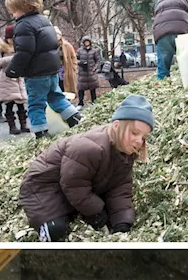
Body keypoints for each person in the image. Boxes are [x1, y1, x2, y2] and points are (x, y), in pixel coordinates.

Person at [18, 95, 154, 242]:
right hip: (44, 188)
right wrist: (96, 211)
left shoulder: (125, 153)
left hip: (76, 188)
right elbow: (73, 185)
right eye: (134, 133)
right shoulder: (90, 147)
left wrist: (122, 222)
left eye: (144, 137)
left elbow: (120, 188)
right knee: (56, 228)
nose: (139, 141)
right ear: (116, 126)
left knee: (106, 216)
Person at [3, 0, 82, 139]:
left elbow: (25, 52)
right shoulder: (44, 21)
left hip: (36, 74)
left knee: (35, 103)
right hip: (51, 70)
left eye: (14, 10)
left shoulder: (23, 25)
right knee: (56, 97)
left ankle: (40, 132)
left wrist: (13, 70)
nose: (13, 15)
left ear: (24, 8)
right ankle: (75, 118)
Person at [152, 0, 188, 80]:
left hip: (161, 31)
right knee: (186, 64)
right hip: (182, 29)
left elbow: (157, 12)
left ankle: (162, 88)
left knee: (163, 68)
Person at [0, 24, 29, 135]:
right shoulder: (1, 47)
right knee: (9, 103)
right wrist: (12, 58)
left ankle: (23, 125)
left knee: (21, 103)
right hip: (6, 77)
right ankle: (12, 126)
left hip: (19, 77)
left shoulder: (20, 45)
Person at [76, 36, 102, 106]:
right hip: (82, 73)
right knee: (81, 89)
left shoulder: (94, 51)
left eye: (88, 42)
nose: (87, 43)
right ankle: (80, 103)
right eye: (85, 42)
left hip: (91, 73)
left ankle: (94, 102)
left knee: (92, 89)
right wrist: (80, 63)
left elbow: (98, 60)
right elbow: (75, 59)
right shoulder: (79, 51)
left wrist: (95, 68)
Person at [59, 34, 78, 102]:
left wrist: (73, 67)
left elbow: (74, 57)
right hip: (57, 69)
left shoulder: (67, 45)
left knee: (67, 87)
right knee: (59, 86)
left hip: (66, 68)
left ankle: (68, 103)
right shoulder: (51, 45)